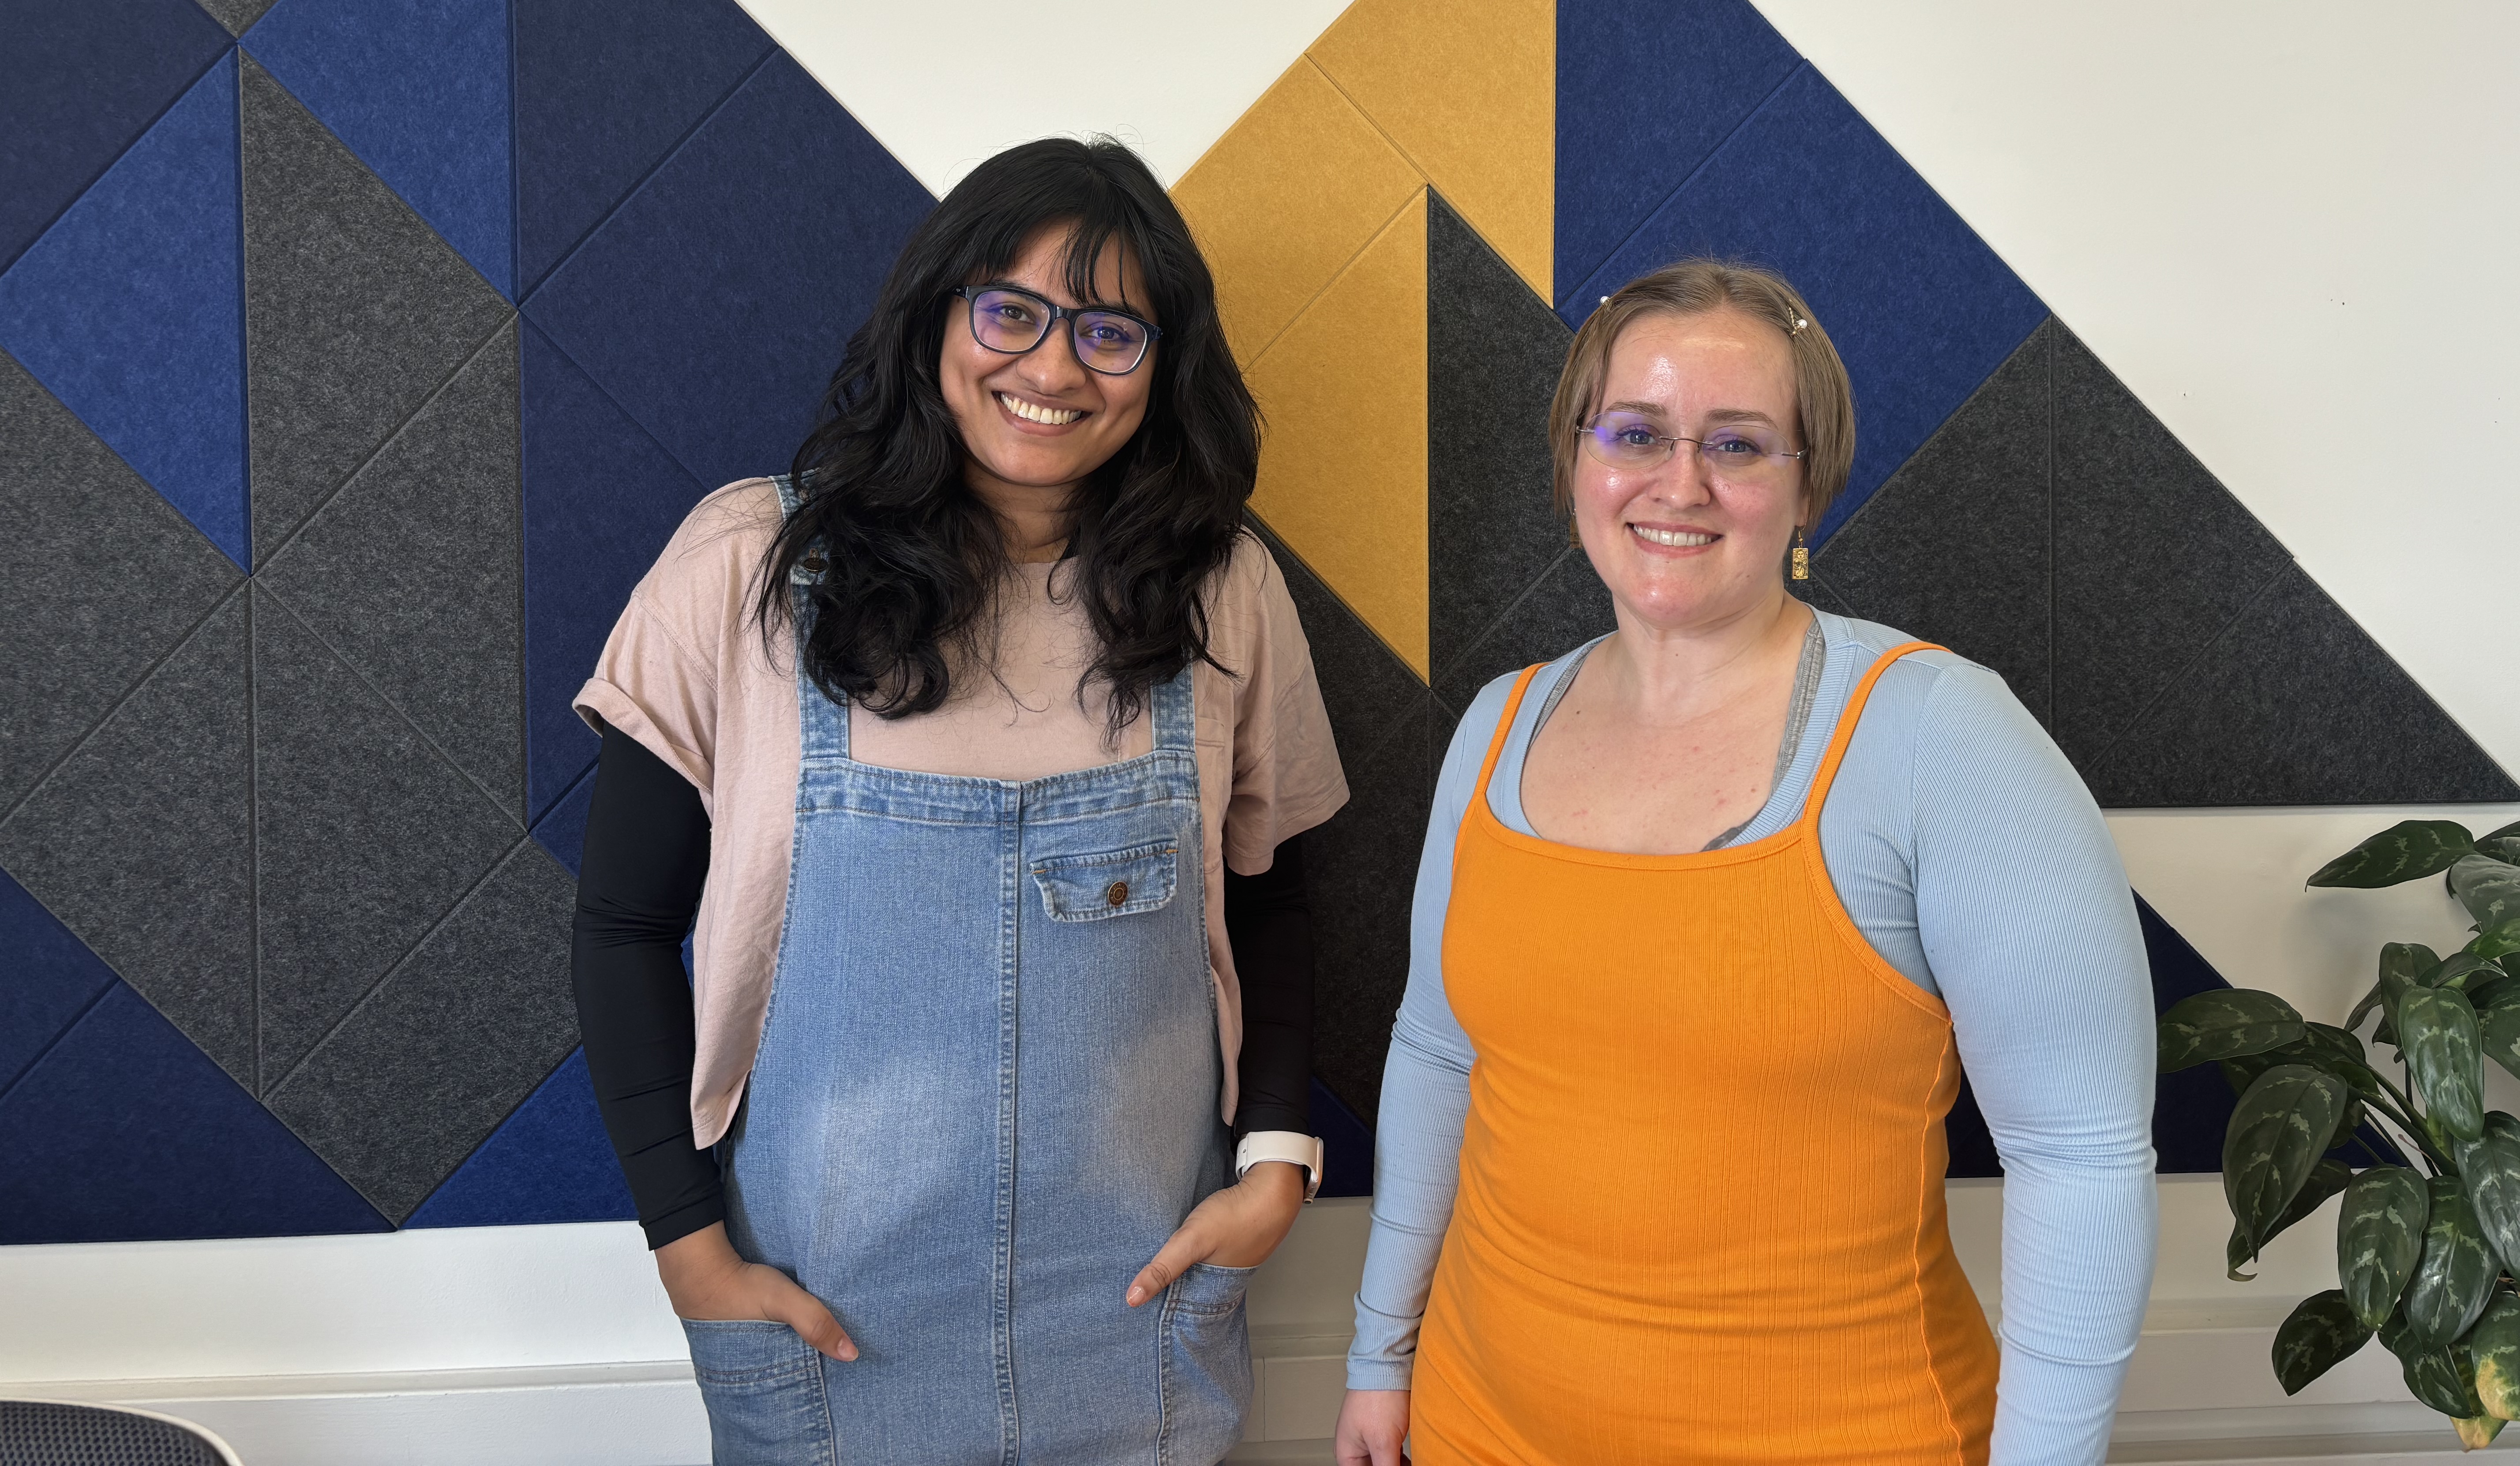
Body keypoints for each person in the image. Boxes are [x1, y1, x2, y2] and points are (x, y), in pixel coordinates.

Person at [570, 138, 1348, 1465]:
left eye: (1110, 331)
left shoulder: (1222, 591)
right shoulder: (748, 570)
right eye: (1012, 311)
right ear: (935, 316)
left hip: (1139, 1327)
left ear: (1164, 369)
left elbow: (1277, 895)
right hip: (823, 1332)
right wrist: (688, 1249)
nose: (1055, 367)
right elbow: (620, 931)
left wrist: (1279, 1160)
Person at [1334, 260, 2158, 1466]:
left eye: (1738, 444)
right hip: (1477, 1426)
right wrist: (1380, 1352)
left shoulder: (1942, 735)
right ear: (1577, 457)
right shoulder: (1500, 723)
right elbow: (1437, 1050)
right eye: (1636, 433)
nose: (1680, 484)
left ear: (1808, 483)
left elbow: (2078, 1158)